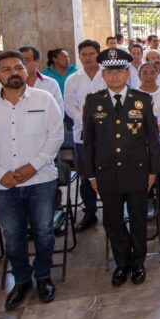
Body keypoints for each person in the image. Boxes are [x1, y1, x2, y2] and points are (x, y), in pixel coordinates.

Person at [0, 51, 64, 310]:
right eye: (7, 69)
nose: (14, 73)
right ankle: (21, 280)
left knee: (44, 232)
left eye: (18, 68)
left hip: (40, 179)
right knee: (13, 235)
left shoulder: (44, 99)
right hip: (3, 184)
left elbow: (55, 136)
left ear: (27, 70)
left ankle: (43, 276)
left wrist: (33, 166)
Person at [82, 48, 160, 287]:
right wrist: (91, 175)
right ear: (103, 76)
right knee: (112, 221)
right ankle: (122, 262)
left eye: (119, 71)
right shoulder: (93, 102)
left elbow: (153, 139)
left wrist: (153, 171)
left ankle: (138, 263)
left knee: (138, 219)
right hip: (106, 173)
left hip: (136, 171)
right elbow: (88, 143)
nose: (114, 76)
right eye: (109, 72)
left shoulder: (143, 100)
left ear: (128, 73)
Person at [63, 39, 106, 231]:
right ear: (79, 57)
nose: (88, 58)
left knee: (110, 171)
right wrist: (85, 119)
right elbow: (69, 105)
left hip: (108, 133)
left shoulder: (108, 74)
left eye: (91, 54)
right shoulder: (73, 79)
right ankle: (90, 212)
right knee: (85, 174)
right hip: (82, 134)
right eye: (84, 54)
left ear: (98, 54)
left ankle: (115, 209)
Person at [137, 62, 160, 218]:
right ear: (139, 75)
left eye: (152, 72)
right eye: (144, 73)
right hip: (140, 142)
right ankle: (147, 203)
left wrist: (154, 131)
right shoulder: (134, 93)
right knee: (142, 174)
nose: (148, 76)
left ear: (157, 74)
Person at [19, 46, 64, 115]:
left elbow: (59, 112)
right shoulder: (9, 84)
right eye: (19, 61)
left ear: (37, 62)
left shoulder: (51, 84)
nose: (22, 64)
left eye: (26, 60)